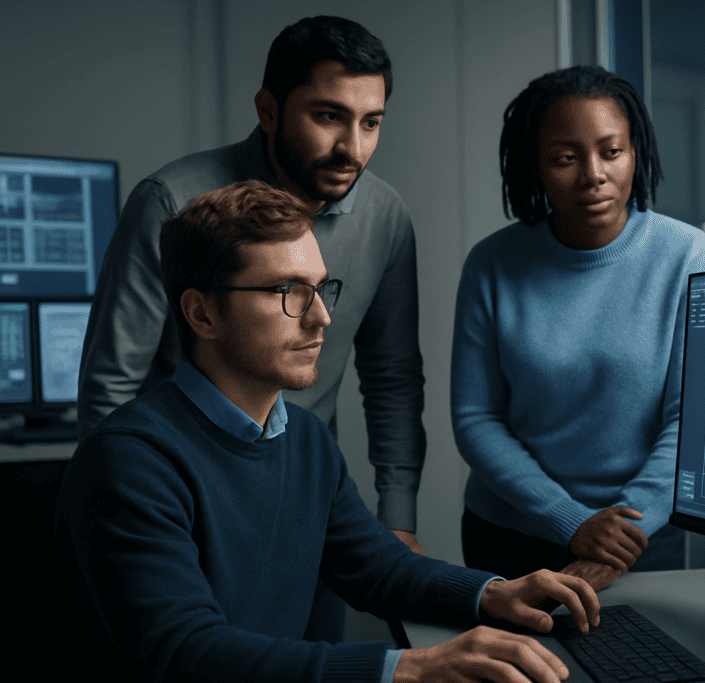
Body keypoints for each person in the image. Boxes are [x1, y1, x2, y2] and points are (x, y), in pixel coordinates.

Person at [55, 180, 600, 683]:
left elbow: (377, 567)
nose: (321, 318)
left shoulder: (307, 440)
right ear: (202, 315)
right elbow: (186, 652)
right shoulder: (129, 461)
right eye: (288, 292)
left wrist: (494, 593)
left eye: (320, 288)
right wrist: (410, 669)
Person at [77, 16, 427, 558]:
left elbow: (393, 378)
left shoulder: (386, 215)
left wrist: (398, 517)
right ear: (269, 110)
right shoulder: (171, 201)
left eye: (371, 122)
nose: (351, 148)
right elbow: (111, 383)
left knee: (318, 643)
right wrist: (116, 517)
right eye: (329, 116)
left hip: (306, 493)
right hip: (182, 493)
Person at [451, 66, 705, 585]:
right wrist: (572, 522)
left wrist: (620, 532)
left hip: (639, 534)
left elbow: (693, 418)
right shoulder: (492, 263)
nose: (593, 174)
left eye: (612, 151)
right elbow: (476, 417)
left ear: (635, 151)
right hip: (512, 534)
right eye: (565, 158)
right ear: (535, 166)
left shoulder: (688, 255)